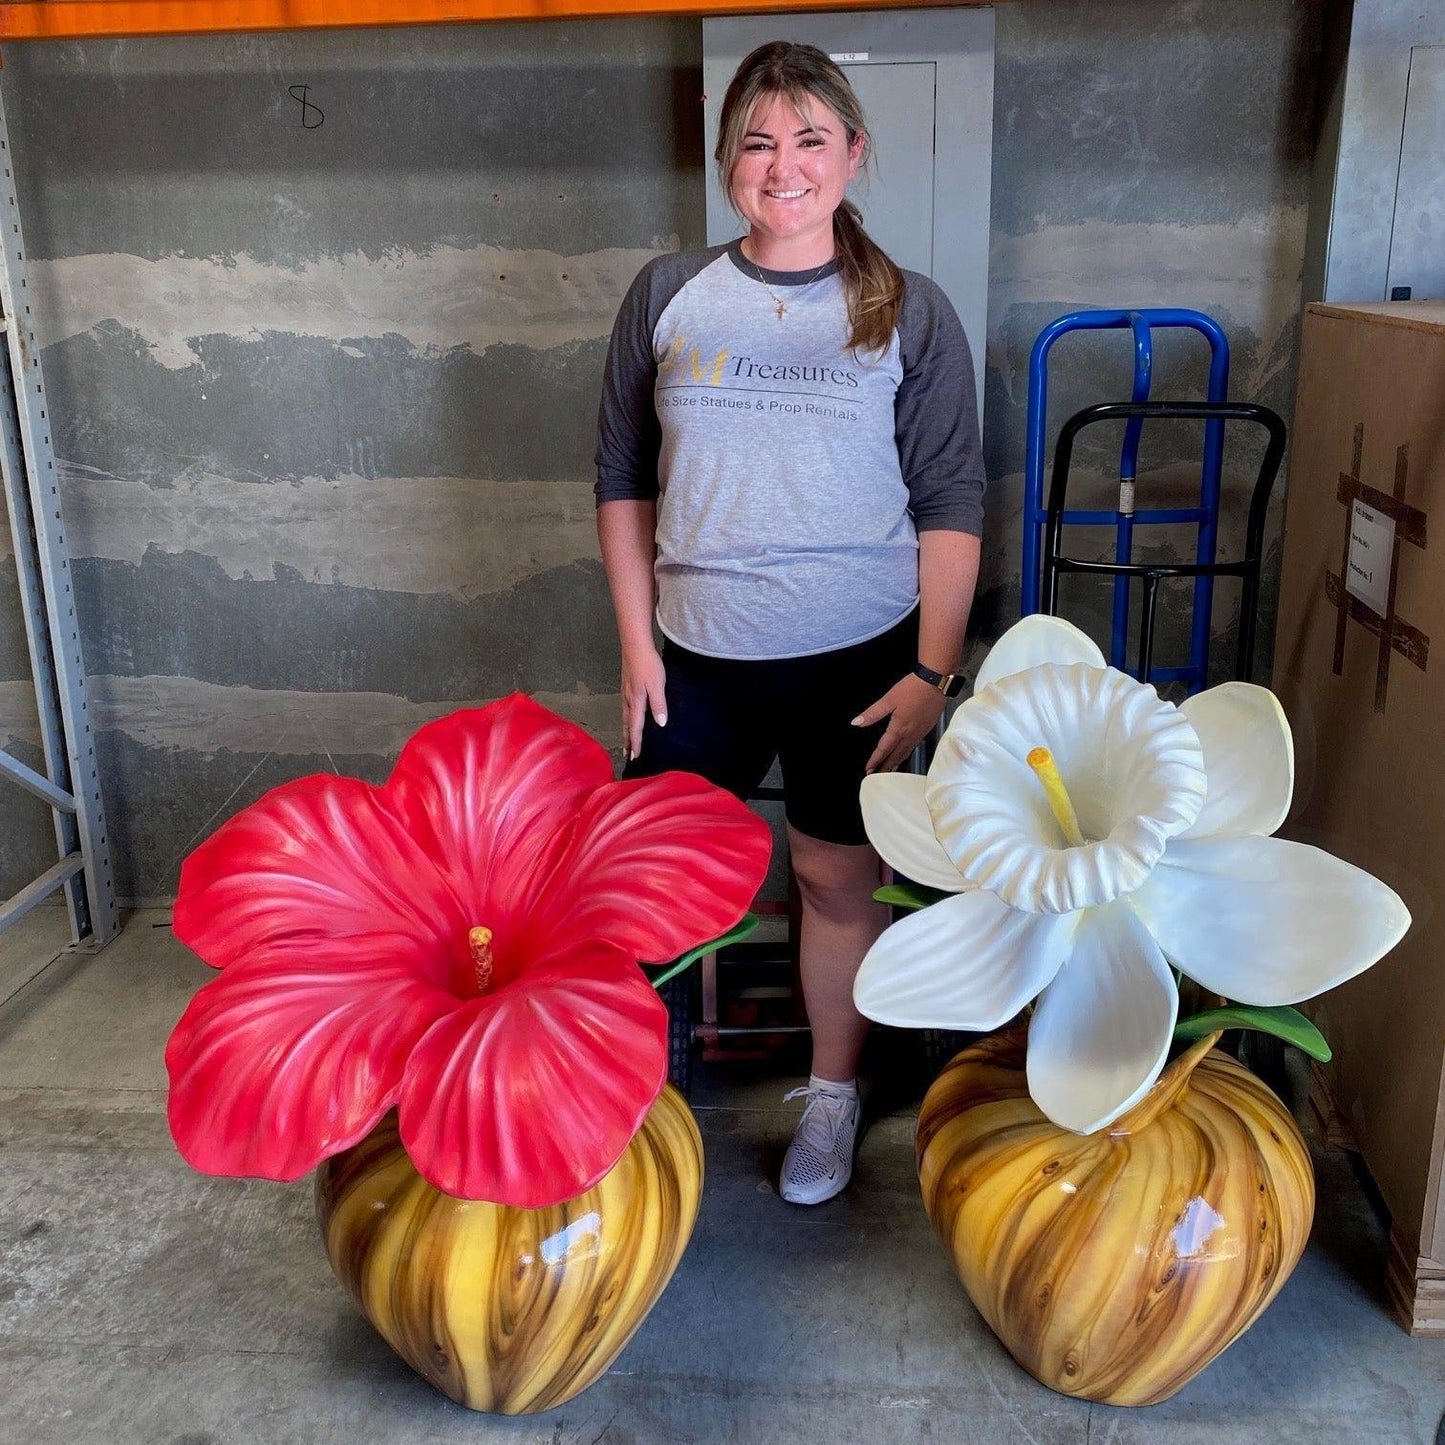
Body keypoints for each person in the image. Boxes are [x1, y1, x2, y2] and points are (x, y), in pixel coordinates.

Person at [594, 41, 984, 1205]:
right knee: (648, 884)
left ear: (852, 153)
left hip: (857, 662)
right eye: (758, 142)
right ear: (727, 167)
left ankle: (829, 1093)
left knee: (828, 877)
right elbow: (621, 476)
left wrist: (931, 669)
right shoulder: (668, 293)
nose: (784, 164)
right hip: (693, 659)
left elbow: (950, 499)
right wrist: (632, 643)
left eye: (809, 138)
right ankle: (627, 1096)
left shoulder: (908, 310)